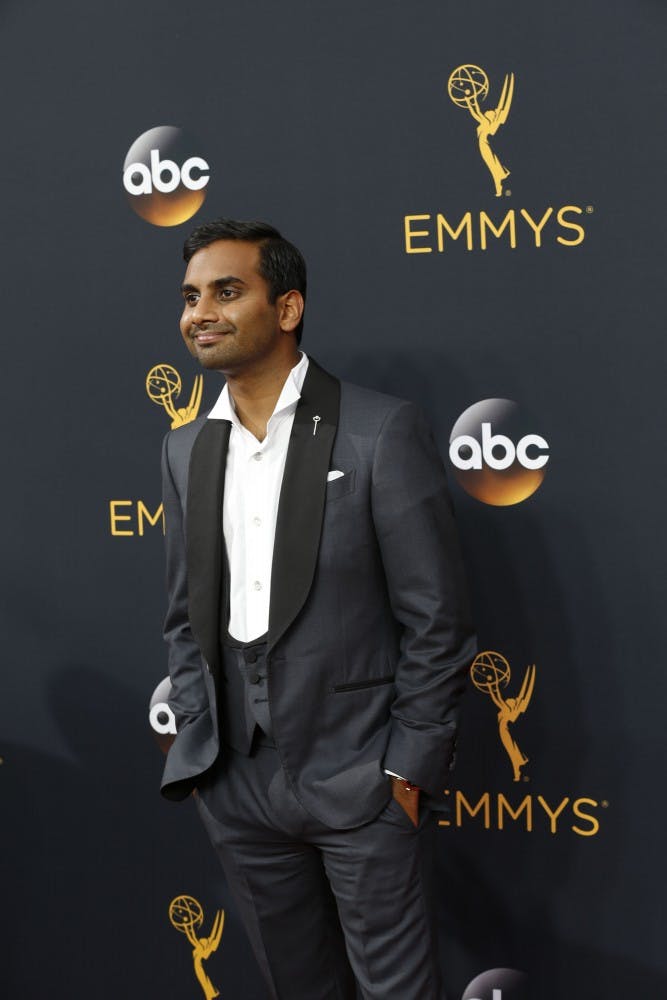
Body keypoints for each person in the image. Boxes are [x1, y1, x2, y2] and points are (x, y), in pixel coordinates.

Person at [159, 217, 476, 1000]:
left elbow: (436, 620)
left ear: (288, 307)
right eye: (191, 295)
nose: (201, 311)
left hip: (362, 777)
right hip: (237, 785)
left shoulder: (377, 431)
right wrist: (203, 750)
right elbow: (182, 613)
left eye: (227, 292)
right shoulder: (185, 447)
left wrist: (405, 768)